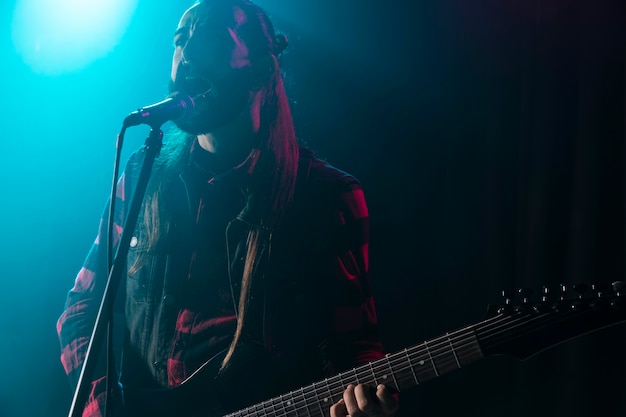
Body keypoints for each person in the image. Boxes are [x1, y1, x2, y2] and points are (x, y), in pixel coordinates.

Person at [57, 1, 399, 416]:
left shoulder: (325, 197)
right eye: (180, 41)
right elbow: (81, 311)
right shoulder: (143, 177)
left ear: (259, 69)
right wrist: (101, 406)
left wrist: (367, 398)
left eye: (212, 38)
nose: (188, 55)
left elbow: (356, 346)